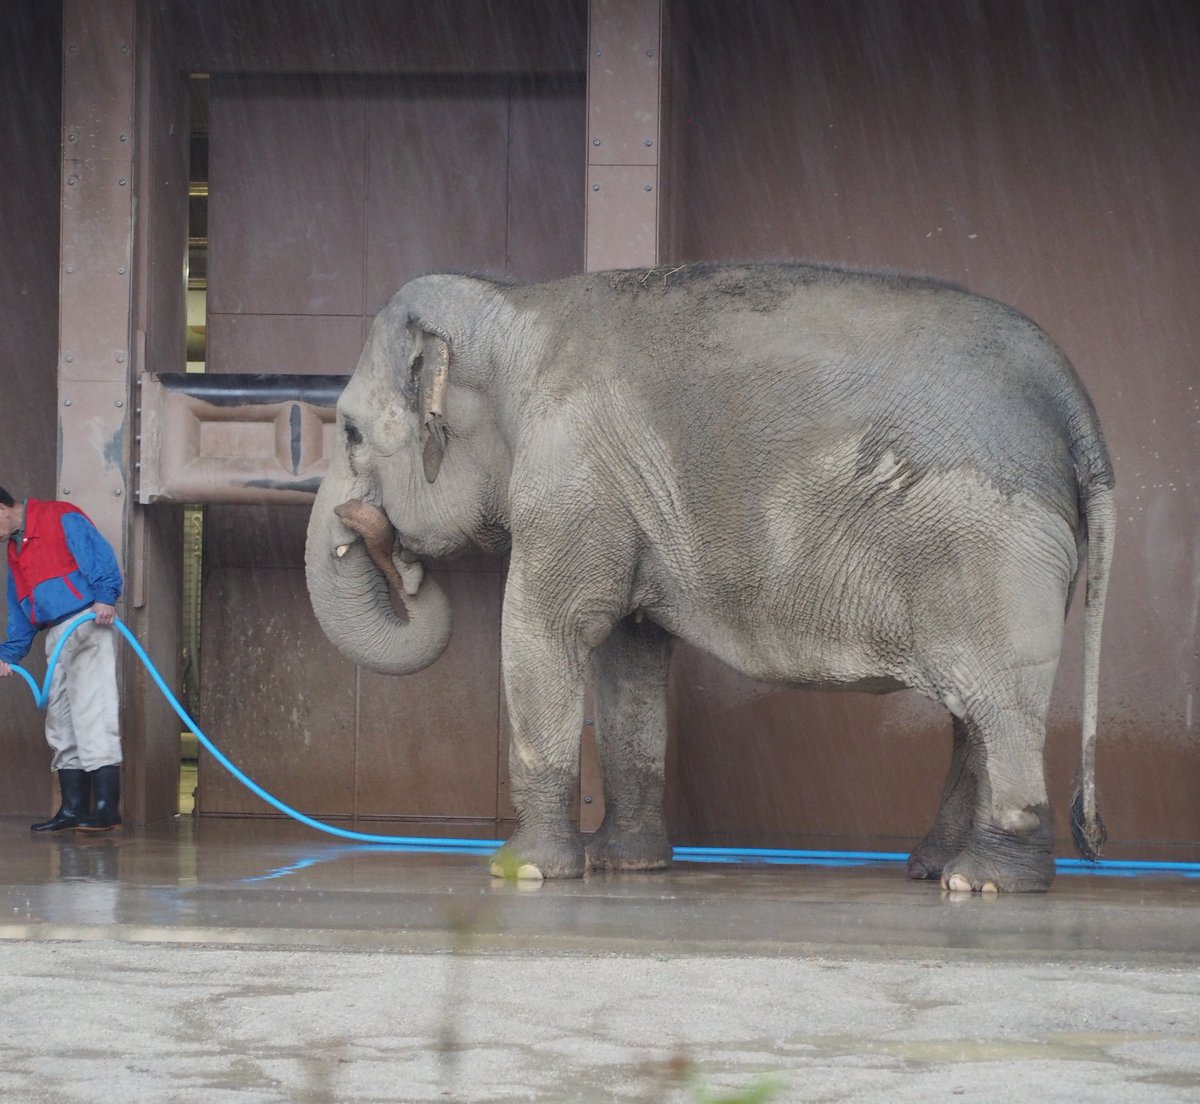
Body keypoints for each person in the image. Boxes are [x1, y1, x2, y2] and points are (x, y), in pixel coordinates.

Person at [0, 485, 124, 831]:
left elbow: (97, 554)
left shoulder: (59, 515)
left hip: (87, 620)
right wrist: (10, 653)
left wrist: (105, 596)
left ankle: (105, 808)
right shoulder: (15, 547)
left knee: (93, 710)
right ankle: (72, 808)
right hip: (56, 632)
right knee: (60, 718)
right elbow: (20, 604)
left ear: (2, 509)